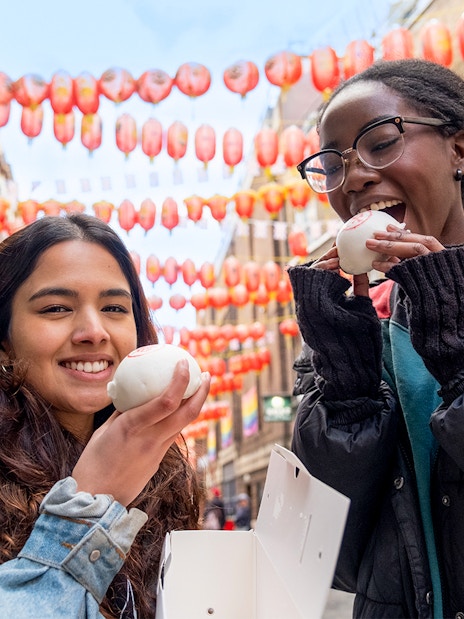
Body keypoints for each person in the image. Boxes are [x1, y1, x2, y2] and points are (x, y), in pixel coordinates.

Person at [287, 58, 464, 619]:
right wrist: (346, 385)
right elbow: (330, 556)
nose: (355, 177)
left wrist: (456, 344)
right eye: (333, 165)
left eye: (381, 141)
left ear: (459, 149)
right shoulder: (371, 321)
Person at [0, 213, 211, 618]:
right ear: (4, 341)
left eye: (114, 307)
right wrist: (92, 503)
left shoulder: (163, 474)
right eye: (57, 308)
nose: (94, 331)